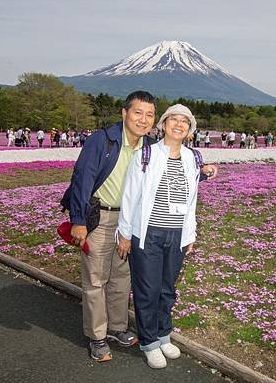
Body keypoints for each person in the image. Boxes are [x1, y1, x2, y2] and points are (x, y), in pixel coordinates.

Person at [61, 91, 217, 363]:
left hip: (135, 221)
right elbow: (82, 179)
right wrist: (78, 220)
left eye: (149, 115)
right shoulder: (103, 140)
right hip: (101, 217)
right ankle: (97, 336)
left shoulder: (149, 146)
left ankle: (118, 327)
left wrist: (202, 171)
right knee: (97, 279)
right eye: (137, 113)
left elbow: (168, 181)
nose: (143, 119)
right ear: (124, 113)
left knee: (123, 279)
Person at [117, 104, 201, 369]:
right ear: (163, 125)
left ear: (190, 130)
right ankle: (149, 342)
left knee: (167, 289)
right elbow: (129, 197)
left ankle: (164, 334)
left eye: (184, 122)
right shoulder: (146, 155)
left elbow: (192, 201)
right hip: (148, 233)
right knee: (147, 289)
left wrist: (190, 234)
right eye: (173, 120)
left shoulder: (193, 158)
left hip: (176, 234)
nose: (178, 125)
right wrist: (125, 233)